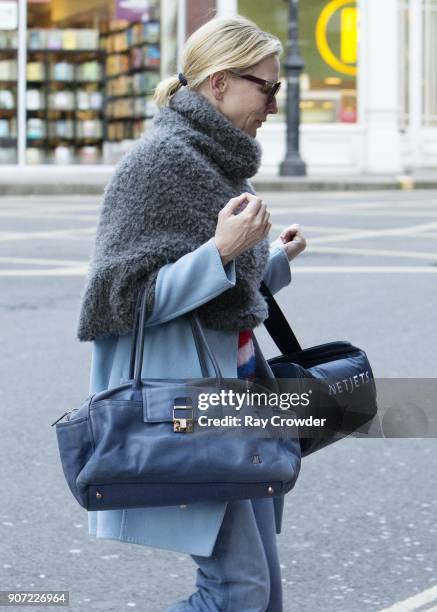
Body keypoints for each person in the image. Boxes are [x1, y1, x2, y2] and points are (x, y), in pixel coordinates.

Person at [76, 15, 307, 612]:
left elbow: (222, 292)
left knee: (262, 590)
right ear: (219, 83)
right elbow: (123, 301)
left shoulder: (216, 161)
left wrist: (269, 258)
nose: (275, 105)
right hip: (186, 409)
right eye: (268, 87)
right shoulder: (158, 164)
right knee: (238, 592)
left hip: (233, 401)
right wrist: (223, 251)